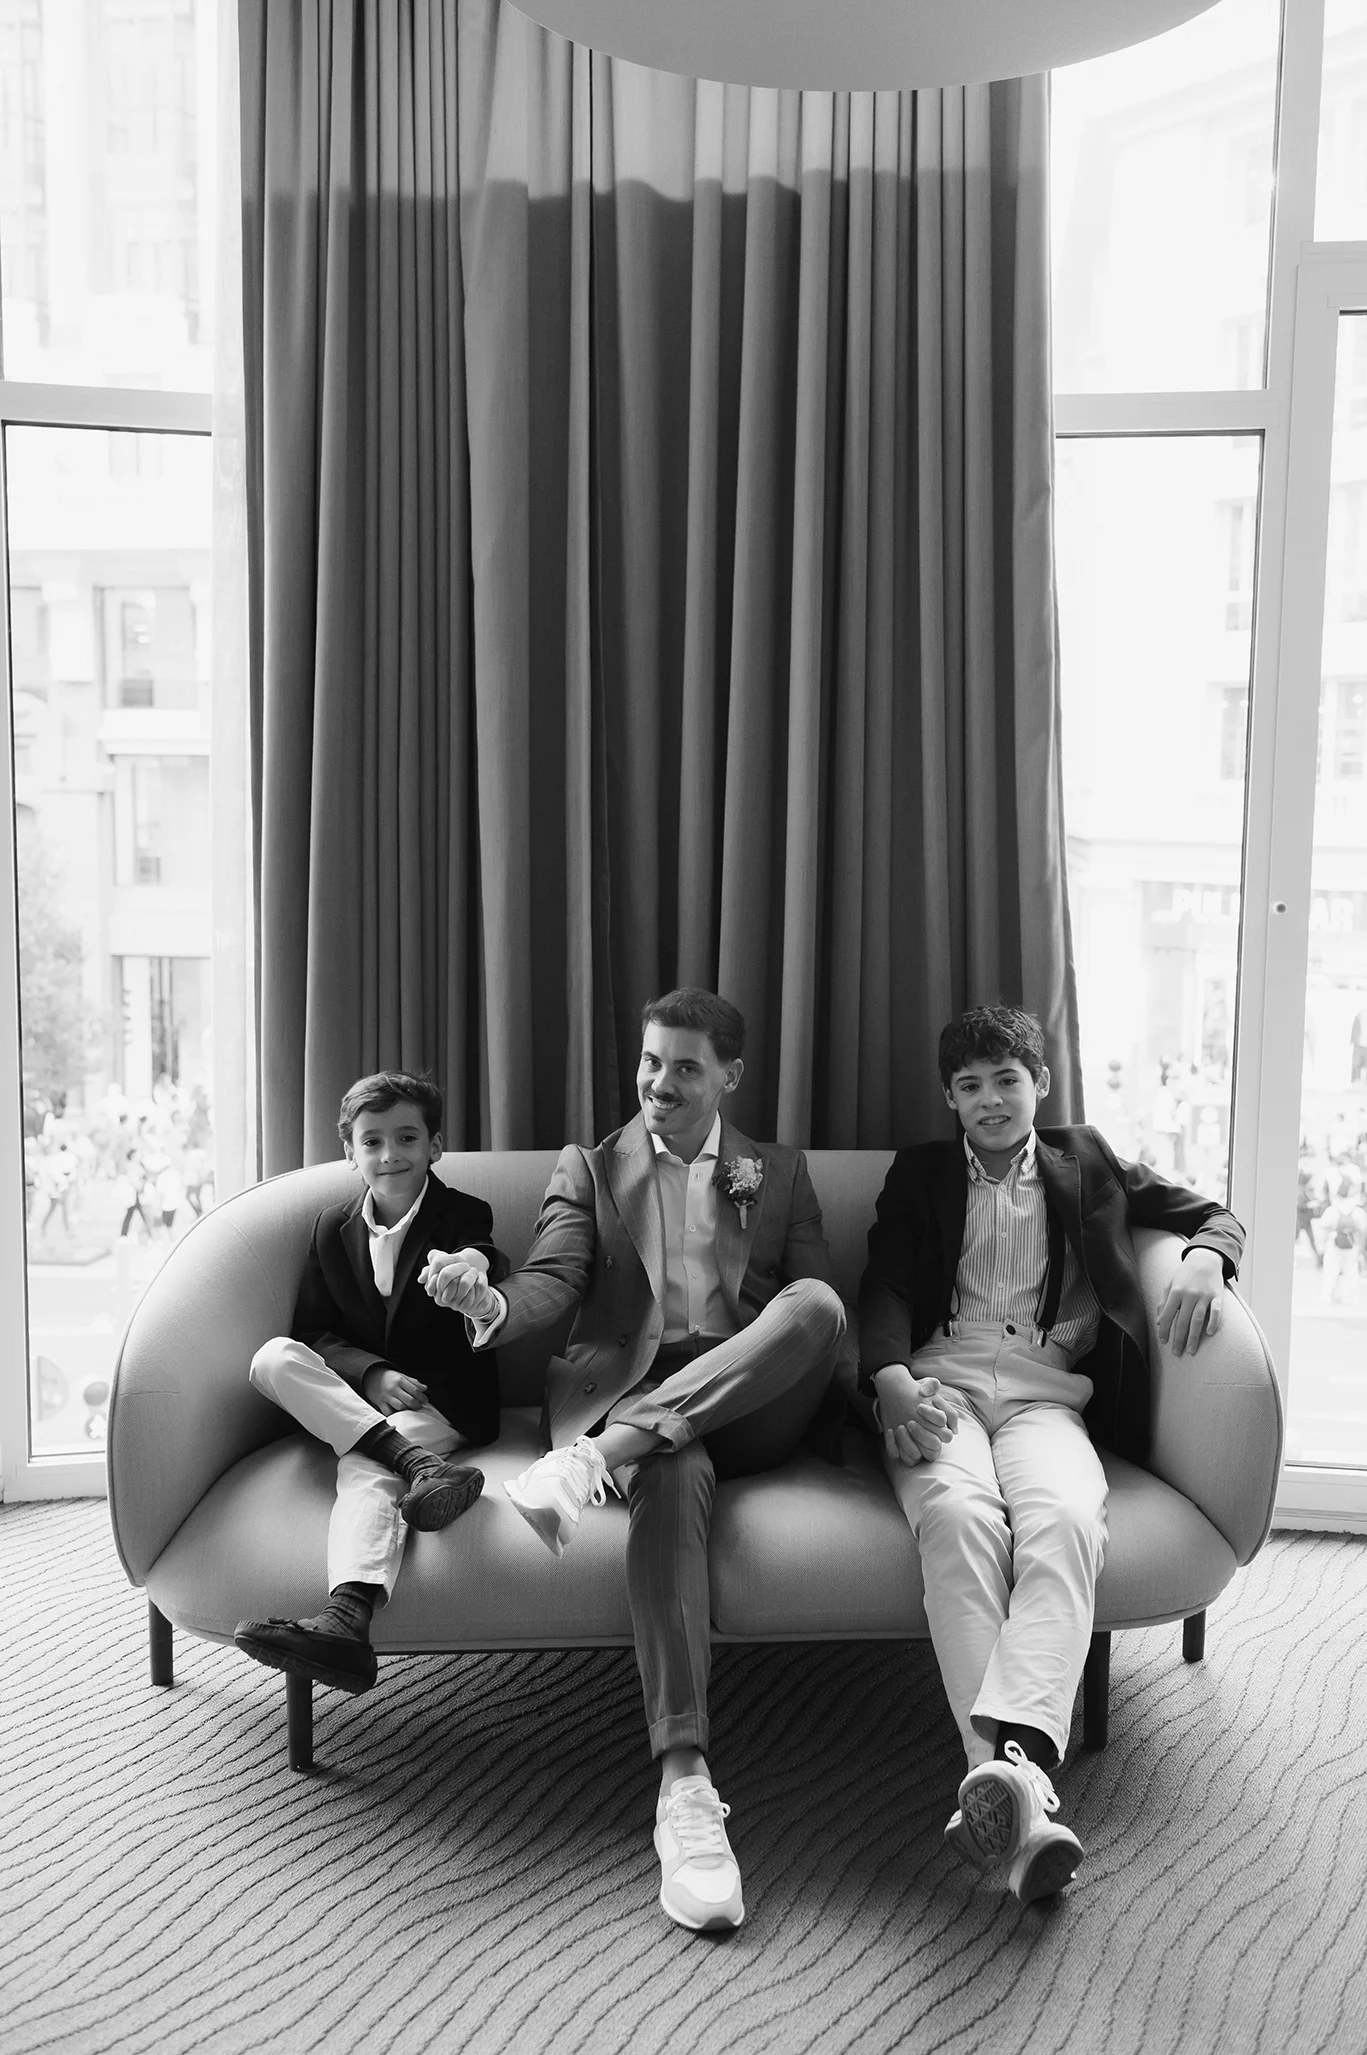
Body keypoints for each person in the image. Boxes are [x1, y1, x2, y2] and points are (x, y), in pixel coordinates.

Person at [423, 989, 854, 1934]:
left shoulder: (778, 1172)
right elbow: (554, 1277)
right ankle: (684, 1787)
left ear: (729, 1075)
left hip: (749, 1396)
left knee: (817, 1304)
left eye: (685, 1066)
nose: (659, 1081)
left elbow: (818, 1320)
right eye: (651, 1060)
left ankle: (589, 1462)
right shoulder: (589, 1166)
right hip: (634, 1392)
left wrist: (876, 1407)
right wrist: (491, 1305)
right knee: (666, 1462)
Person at [859, 1005, 1243, 1904]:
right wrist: (887, 1378)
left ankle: (1002, 1781)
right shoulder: (918, 1172)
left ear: (1039, 1082)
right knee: (957, 1516)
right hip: (940, 1378)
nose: (990, 1100)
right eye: (969, 1086)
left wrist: (1203, 1256)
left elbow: (1209, 1212)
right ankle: (1018, 1786)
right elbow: (883, 1282)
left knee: (1068, 1519)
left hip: (1044, 1387)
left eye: (1006, 1079)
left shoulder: (1087, 1158)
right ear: (949, 1099)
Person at [234, 1071, 506, 1695]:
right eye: (373, 1141)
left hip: (442, 1404)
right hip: (360, 1400)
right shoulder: (330, 1228)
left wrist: (469, 1268)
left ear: (435, 1146)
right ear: (350, 1152)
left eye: (407, 1138)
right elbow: (314, 1334)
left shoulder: (463, 1213)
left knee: (363, 1467)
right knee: (272, 1358)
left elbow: (484, 1255)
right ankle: (417, 1464)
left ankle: (345, 1621)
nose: (390, 1154)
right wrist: (372, 1373)